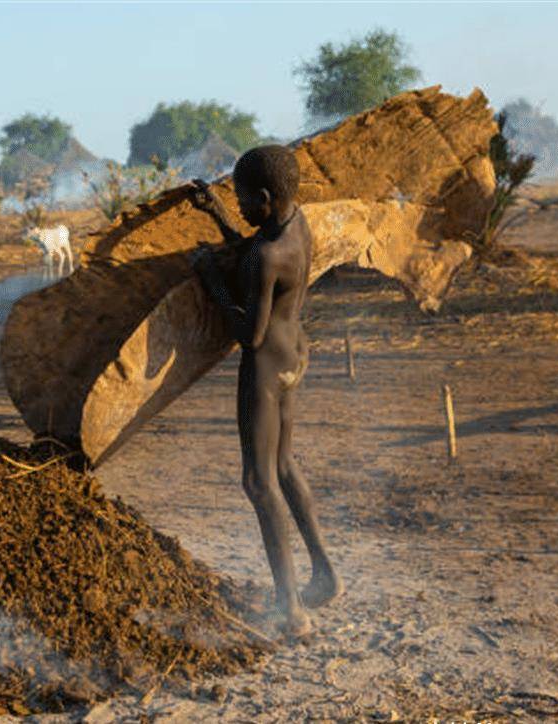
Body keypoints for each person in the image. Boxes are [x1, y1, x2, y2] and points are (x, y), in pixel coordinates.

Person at [187, 145, 342, 636]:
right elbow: (259, 265)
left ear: (266, 197)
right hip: (294, 353)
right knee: (284, 465)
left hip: (265, 366)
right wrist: (217, 217)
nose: (240, 209)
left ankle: (290, 609)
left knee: (258, 481)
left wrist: (211, 279)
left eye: (242, 200)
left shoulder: (265, 253)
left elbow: (247, 333)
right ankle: (325, 573)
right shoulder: (295, 228)